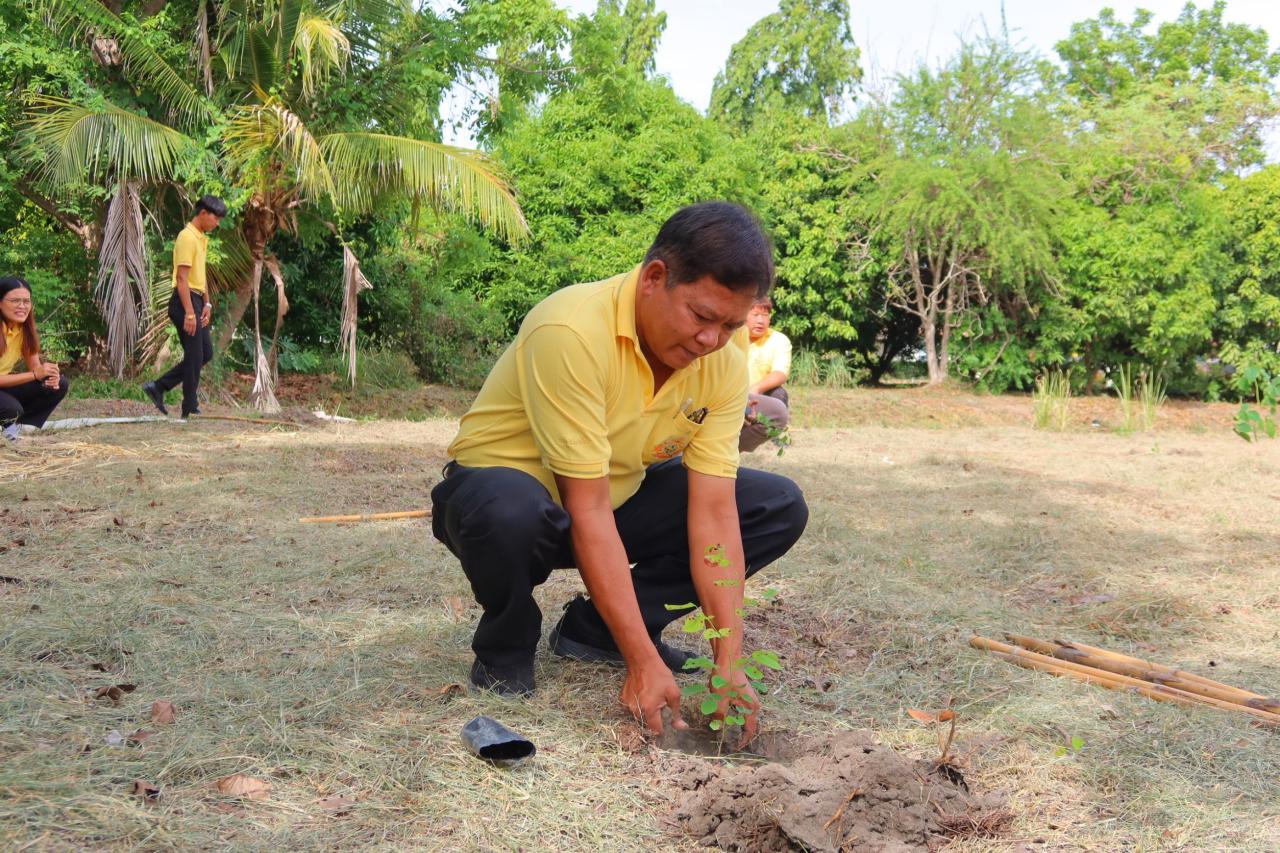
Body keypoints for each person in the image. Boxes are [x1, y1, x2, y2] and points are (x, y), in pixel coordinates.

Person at [431, 202, 808, 743]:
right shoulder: (571, 330)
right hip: (510, 498)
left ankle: (595, 631)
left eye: (729, 326)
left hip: (614, 498)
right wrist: (643, 660)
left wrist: (729, 660)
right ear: (655, 277)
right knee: (507, 510)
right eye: (701, 317)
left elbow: (715, 512)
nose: (711, 341)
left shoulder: (721, 360)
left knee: (774, 505)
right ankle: (505, 644)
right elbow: (584, 506)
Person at [142, 195, 227, 418]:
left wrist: (207, 303)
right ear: (203, 214)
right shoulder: (186, 237)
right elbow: (182, 278)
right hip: (184, 301)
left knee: (204, 353)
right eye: (216, 218)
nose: (217, 223)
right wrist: (190, 312)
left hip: (196, 299)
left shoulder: (201, 238)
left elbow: (201, 274)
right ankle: (189, 403)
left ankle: (159, 387)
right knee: (195, 353)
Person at [0, 276, 69, 441]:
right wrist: (35, 375)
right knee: (11, 408)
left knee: (59, 385)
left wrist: (48, 377)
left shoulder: (23, 328)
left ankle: (19, 428)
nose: (22, 306)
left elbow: (35, 368)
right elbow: (34, 374)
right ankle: (10, 433)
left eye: (26, 301)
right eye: (15, 300)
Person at [738, 295, 792, 453]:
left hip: (758, 396)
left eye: (765, 315)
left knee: (779, 393)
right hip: (730, 393)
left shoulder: (779, 340)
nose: (760, 321)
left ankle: (770, 436)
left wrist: (756, 389)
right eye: (755, 315)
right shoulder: (731, 336)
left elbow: (780, 373)